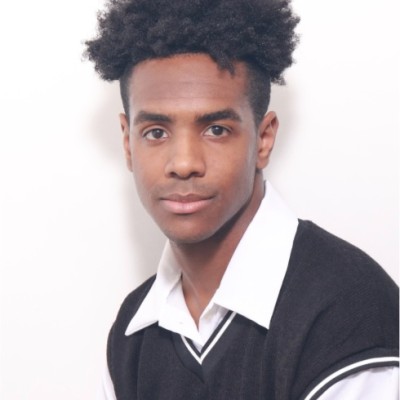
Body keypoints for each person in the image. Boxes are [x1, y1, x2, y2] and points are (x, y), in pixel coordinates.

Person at [85, 0, 399, 398]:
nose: (184, 163)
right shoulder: (132, 335)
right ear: (128, 143)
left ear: (263, 139)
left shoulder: (348, 313)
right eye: (156, 133)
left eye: (216, 129)